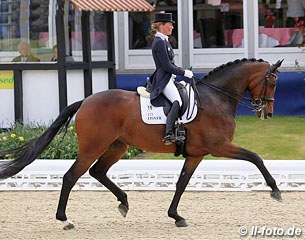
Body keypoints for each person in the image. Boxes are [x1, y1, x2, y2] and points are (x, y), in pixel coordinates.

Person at [148, 12, 194, 145]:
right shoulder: (159, 43)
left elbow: (171, 64)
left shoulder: (164, 41)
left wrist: (180, 71)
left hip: (169, 77)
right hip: (163, 79)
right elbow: (167, 66)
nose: (172, 27)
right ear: (161, 26)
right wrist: (183, 72)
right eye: (170, 25)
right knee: (177, 101)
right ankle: (168, 133)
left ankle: (179, 126)